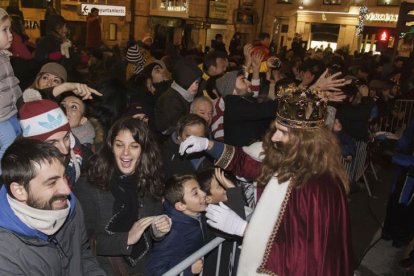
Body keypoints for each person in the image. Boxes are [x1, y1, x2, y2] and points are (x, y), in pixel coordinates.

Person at [180, 85, 354, 274]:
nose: (275, 137)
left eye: (283, 132)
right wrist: (208, 144)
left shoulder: (314, 185)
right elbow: (246, 163)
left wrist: (245, 230)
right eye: (276, 129)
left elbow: (301, 253)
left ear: (304, 139)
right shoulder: (298, 162)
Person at [75, 117, 171, 275]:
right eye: (119, 145)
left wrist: (158, 231)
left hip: (143, 269)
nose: (126, 153)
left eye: (134, 146)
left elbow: (150, 234)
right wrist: (126, 239)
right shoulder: (89, 186)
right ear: (111, 147)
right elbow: (82, 242)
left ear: (144, 150)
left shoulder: (150, 181)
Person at [0, 138, 104, 275]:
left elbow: (83, 255)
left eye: (64, 177)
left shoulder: (70, 206)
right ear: (19, 191)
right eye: (51, 183)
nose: (67, 190)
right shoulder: (5, 255)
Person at [19, 98, 91, 187]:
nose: (64, 150)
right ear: (33, 145)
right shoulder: (19, 173)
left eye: (66, 137)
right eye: (52, 142)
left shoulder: (85, 157)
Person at [146, 174, 206, 276]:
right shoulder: (174, 233)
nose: (204, 193)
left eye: (200, 188)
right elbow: (154, 270)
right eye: (196, 193)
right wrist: (188, 270)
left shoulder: (195, 213)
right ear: (181, 206)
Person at [154, 58, 202, 136]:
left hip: (181, 124)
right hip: (168, 132)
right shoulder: (170, 99)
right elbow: (177, 122)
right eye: (190, 83)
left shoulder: (188, 92)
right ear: (183, 82)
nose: (195, 86)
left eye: (197, 82)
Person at [0, 8, 22, 174]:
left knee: (17, 146)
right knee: (8, 152)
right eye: (4, 30)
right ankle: (5, 177)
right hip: (1, 119)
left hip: (11, 113)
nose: (10, 34)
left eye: (10, 29)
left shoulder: (4, 56)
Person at [161, 114, 214, 179]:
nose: (194, 141)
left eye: (199, 138)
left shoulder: (212, 154)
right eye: (189, 137)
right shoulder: (167, 157)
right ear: (179, 137)